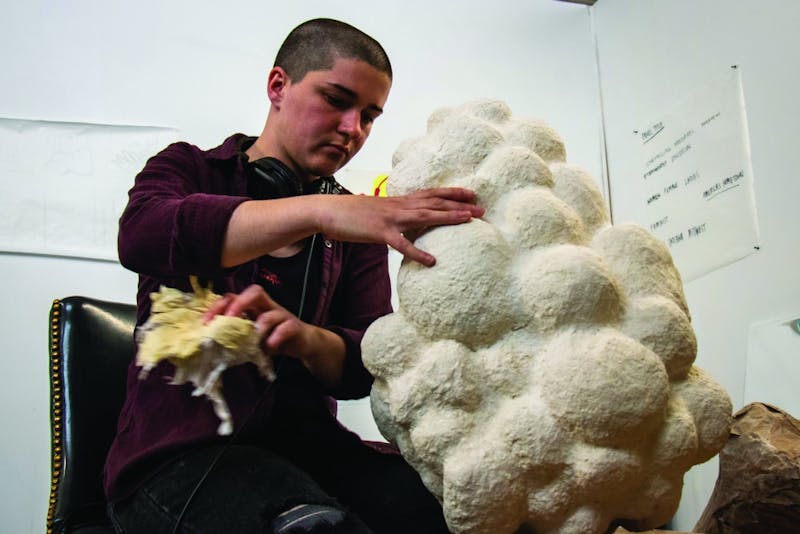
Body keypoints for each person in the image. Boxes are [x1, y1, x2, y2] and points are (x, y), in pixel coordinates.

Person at [104, 17, 483, 534]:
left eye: (370, 116)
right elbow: (142, 234)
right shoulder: (188, 167)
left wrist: (306, 339)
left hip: (312, 454)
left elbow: (362, 365)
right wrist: (320, 212)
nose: (354, 129)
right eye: (336, 100)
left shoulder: (357, 223)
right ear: (278, 86)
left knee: (459, 514)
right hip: (179, 462)